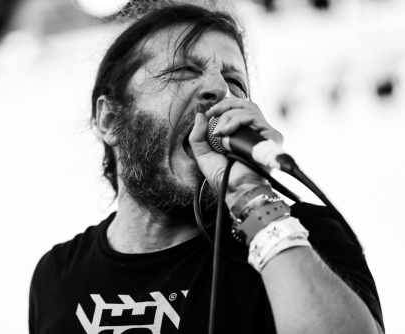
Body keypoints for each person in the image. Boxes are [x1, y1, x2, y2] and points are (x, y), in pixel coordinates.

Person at [29, 4, 384, 334]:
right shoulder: (57, 275)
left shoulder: (305, 239)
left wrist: (253, 200)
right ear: (109, 119)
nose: (218, 90)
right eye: (183, 71)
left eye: (235, 84)